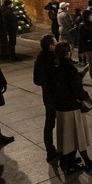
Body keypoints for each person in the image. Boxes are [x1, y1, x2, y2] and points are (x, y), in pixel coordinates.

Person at [53, 41, 92, 173]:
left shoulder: (55, 66)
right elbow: (76, 89)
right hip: (71, 107)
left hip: (60, 106)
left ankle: (67, 160)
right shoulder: (69, 68)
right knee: (77, 135)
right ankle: (83, 163)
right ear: (67, 53)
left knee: (67, 135)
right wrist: (84, 96)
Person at [32, 34, 59, 162]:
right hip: (58, 96)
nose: (57, 43)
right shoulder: (54, 59)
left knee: (49, 124)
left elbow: (36, 80)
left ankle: (50, 150)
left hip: (47, 96)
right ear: (50, 46)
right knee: (63, 124)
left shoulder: (39, 58)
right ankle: (65, 151)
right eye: (55, 42)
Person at [76, 8, 92, 87]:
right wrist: (81, 51)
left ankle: (82, 73)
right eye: (90, 15)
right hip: (88, 47)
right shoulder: (82, 26)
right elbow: (81, 39)